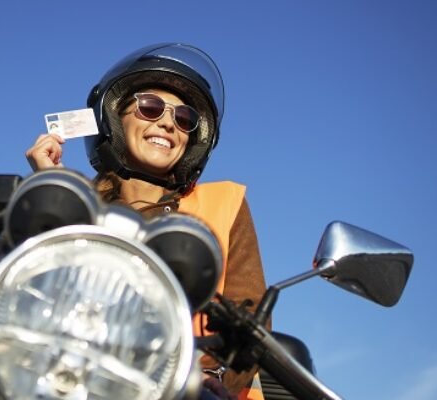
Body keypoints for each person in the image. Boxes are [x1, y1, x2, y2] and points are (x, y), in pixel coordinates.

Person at [26, 43, 268, 400]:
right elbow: (35, 298)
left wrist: (212, 374)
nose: (168, 122)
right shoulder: (83, 213)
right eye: (150, 107)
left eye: (185, 118)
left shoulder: (225, 203)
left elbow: (251, 313)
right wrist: (51, 192)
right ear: (115, 118)